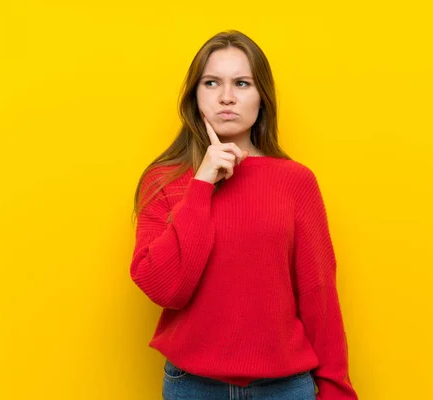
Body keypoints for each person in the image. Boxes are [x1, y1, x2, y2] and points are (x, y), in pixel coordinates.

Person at [130, 29, 358, 400]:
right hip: (193, 387)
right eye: (211, 83)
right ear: (194, 97)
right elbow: (165, 288)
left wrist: (336, 390)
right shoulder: (164, 180)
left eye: (242, 83)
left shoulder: (294, 181)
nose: (226, 97)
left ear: (261, 97)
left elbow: (319, 293)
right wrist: (202, 184)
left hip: (285, 389)